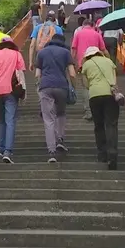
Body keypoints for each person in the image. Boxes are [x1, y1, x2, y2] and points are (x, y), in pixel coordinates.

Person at [35, 32, 76, 162]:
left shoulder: (42, 53)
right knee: (61, 113)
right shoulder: (65, 52)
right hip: (62, 86)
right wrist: (73, 87)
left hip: (46, 86)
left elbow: (37, 74)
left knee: (48, 119)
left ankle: (51, 151)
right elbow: (72, 73)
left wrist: (39, 88)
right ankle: (60, 139)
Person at [81, 46, 120, 170]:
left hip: (94, 95)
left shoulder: (86, 65)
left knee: (98, 125)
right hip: (110, 95)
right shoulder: (109, 62)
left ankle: (102, 153)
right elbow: (114, 80)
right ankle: (112, 154)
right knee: (111, 124)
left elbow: (85, 84)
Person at [71, 19, 106, 121]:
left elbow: (74, 49)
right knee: (97, 84)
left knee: (86, 87)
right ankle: (98, 110)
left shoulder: (78, 33)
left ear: (83, 25)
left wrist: (72, 62)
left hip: (83, 64)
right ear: (92, 25)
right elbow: (103, 49)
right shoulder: (97, 34)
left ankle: (88, 112)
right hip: (97, 63)